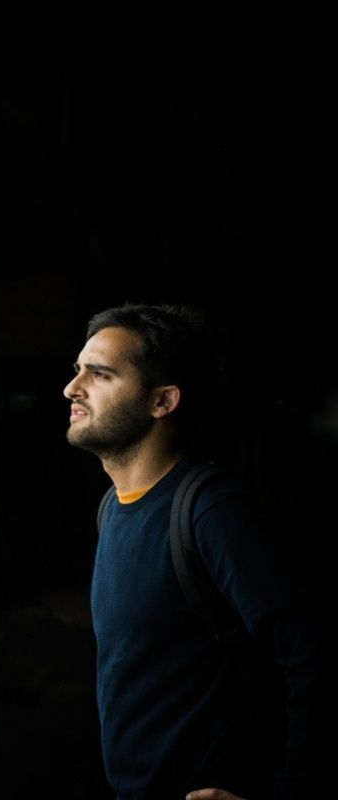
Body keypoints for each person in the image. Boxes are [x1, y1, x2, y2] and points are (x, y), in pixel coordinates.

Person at [63, 303, 327, 799]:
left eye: (99, 374)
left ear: (162, 401)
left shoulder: (212, 512)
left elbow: (314, 659)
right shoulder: (113, 507)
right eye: (78, 371)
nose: (72, 388)